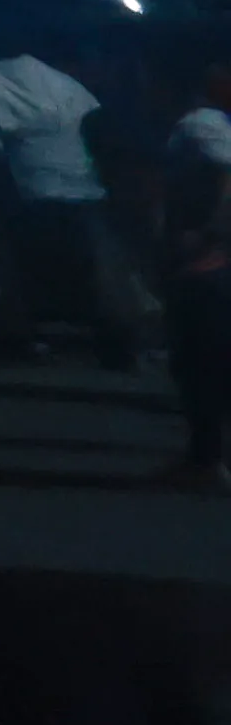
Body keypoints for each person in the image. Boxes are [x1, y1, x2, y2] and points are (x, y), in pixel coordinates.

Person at [0, 36, 113, 367]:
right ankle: (112, 342)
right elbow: (93, 119)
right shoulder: (59, 79)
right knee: (91, 267)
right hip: (84, 185)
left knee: (21, 266)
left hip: (30, 189)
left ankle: (25, 338)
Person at [151, 61, 231, 494]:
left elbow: (225, 170)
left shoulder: (202, 125)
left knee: (199, 363)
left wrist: (207, 236)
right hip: (207, 258)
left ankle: (205, 461)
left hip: (204, 263)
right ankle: (203, 458)